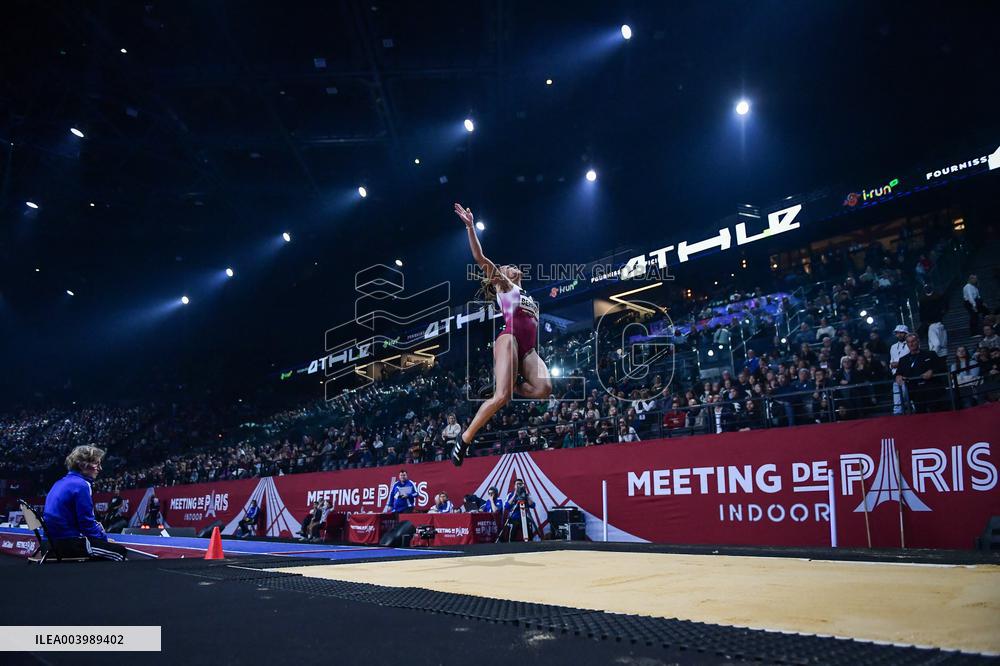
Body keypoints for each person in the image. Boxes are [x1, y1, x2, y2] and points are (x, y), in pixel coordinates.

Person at [452, 203, 552, 466]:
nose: (510, 267)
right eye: (506, 266)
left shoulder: (529, 295)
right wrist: (470, 227)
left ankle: (511, 381)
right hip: (510, 339)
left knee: (544, 388)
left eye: (510, 266)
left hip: (528, 348)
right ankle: (464, 439)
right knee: (501, 398)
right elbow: (480, 258)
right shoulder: (505, 286)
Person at [42, 445, 127, 562]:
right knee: (119, 552)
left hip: (49, 544)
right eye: (97, 464)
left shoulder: (59, 482)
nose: (100, 468)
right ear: (82, 465)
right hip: (67, 544)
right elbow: (86, 524)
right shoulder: (81, 485)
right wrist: (104, 540)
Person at [895, 334, 946, 413]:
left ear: (918, 341)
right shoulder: (903, 360)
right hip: (915, 393)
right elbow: (898, 373)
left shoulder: (930, 354)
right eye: (908, 342)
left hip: (932, 390)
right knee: (920, 416)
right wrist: (898, 377)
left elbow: (941, 367)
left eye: (913, 341)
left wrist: (932, 371)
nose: (911, 344)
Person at [889, 324, 910, 414]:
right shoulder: (893, 347)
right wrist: (891, 365)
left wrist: (899, 364)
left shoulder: (910, 345)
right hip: (896, 375)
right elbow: (891, 360)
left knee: (908, 398)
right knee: (897, 402)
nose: (899, 335)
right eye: (897, 333)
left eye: (902, 333)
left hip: (907, 375)